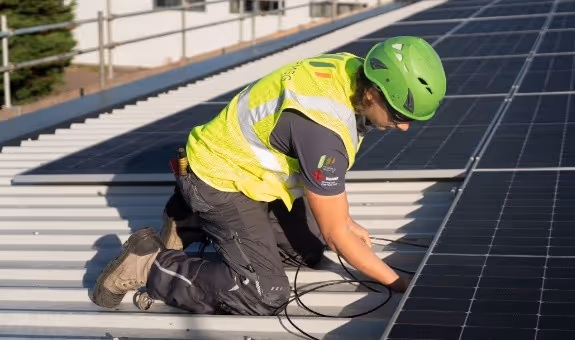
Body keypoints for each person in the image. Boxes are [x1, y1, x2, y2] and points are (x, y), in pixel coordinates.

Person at [90, 35, 447, 316]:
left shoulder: (353, 69)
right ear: (371, 93)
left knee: (308, 250)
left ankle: (188, 218)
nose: (403, 127)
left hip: (243, 172)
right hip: (219, 180)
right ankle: (148, 265)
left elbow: (333, 207)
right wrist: (401, 283)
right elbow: (336, 234)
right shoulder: (324, 131)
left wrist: (347, 220)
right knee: (264, 294)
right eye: (400, 115)